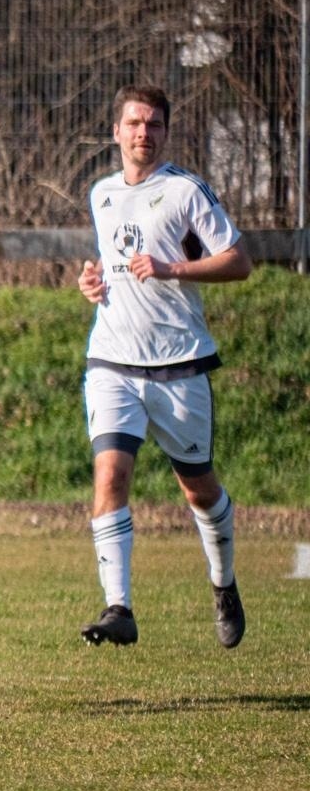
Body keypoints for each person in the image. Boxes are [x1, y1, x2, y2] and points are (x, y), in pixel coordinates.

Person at [75, 84, 252, 648]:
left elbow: (239, 261)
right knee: (110, 475)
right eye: (133, 123)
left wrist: (173, 270)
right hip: (112, 361)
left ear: (165, 133)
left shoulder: (184, 191)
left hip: (179, 364)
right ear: (116, 131)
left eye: (152, 125)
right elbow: (114, 262)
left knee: (198, 490)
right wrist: (92, 281)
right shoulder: (100, 193)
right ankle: (118, 606)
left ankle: (223, 584)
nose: (142, 133)